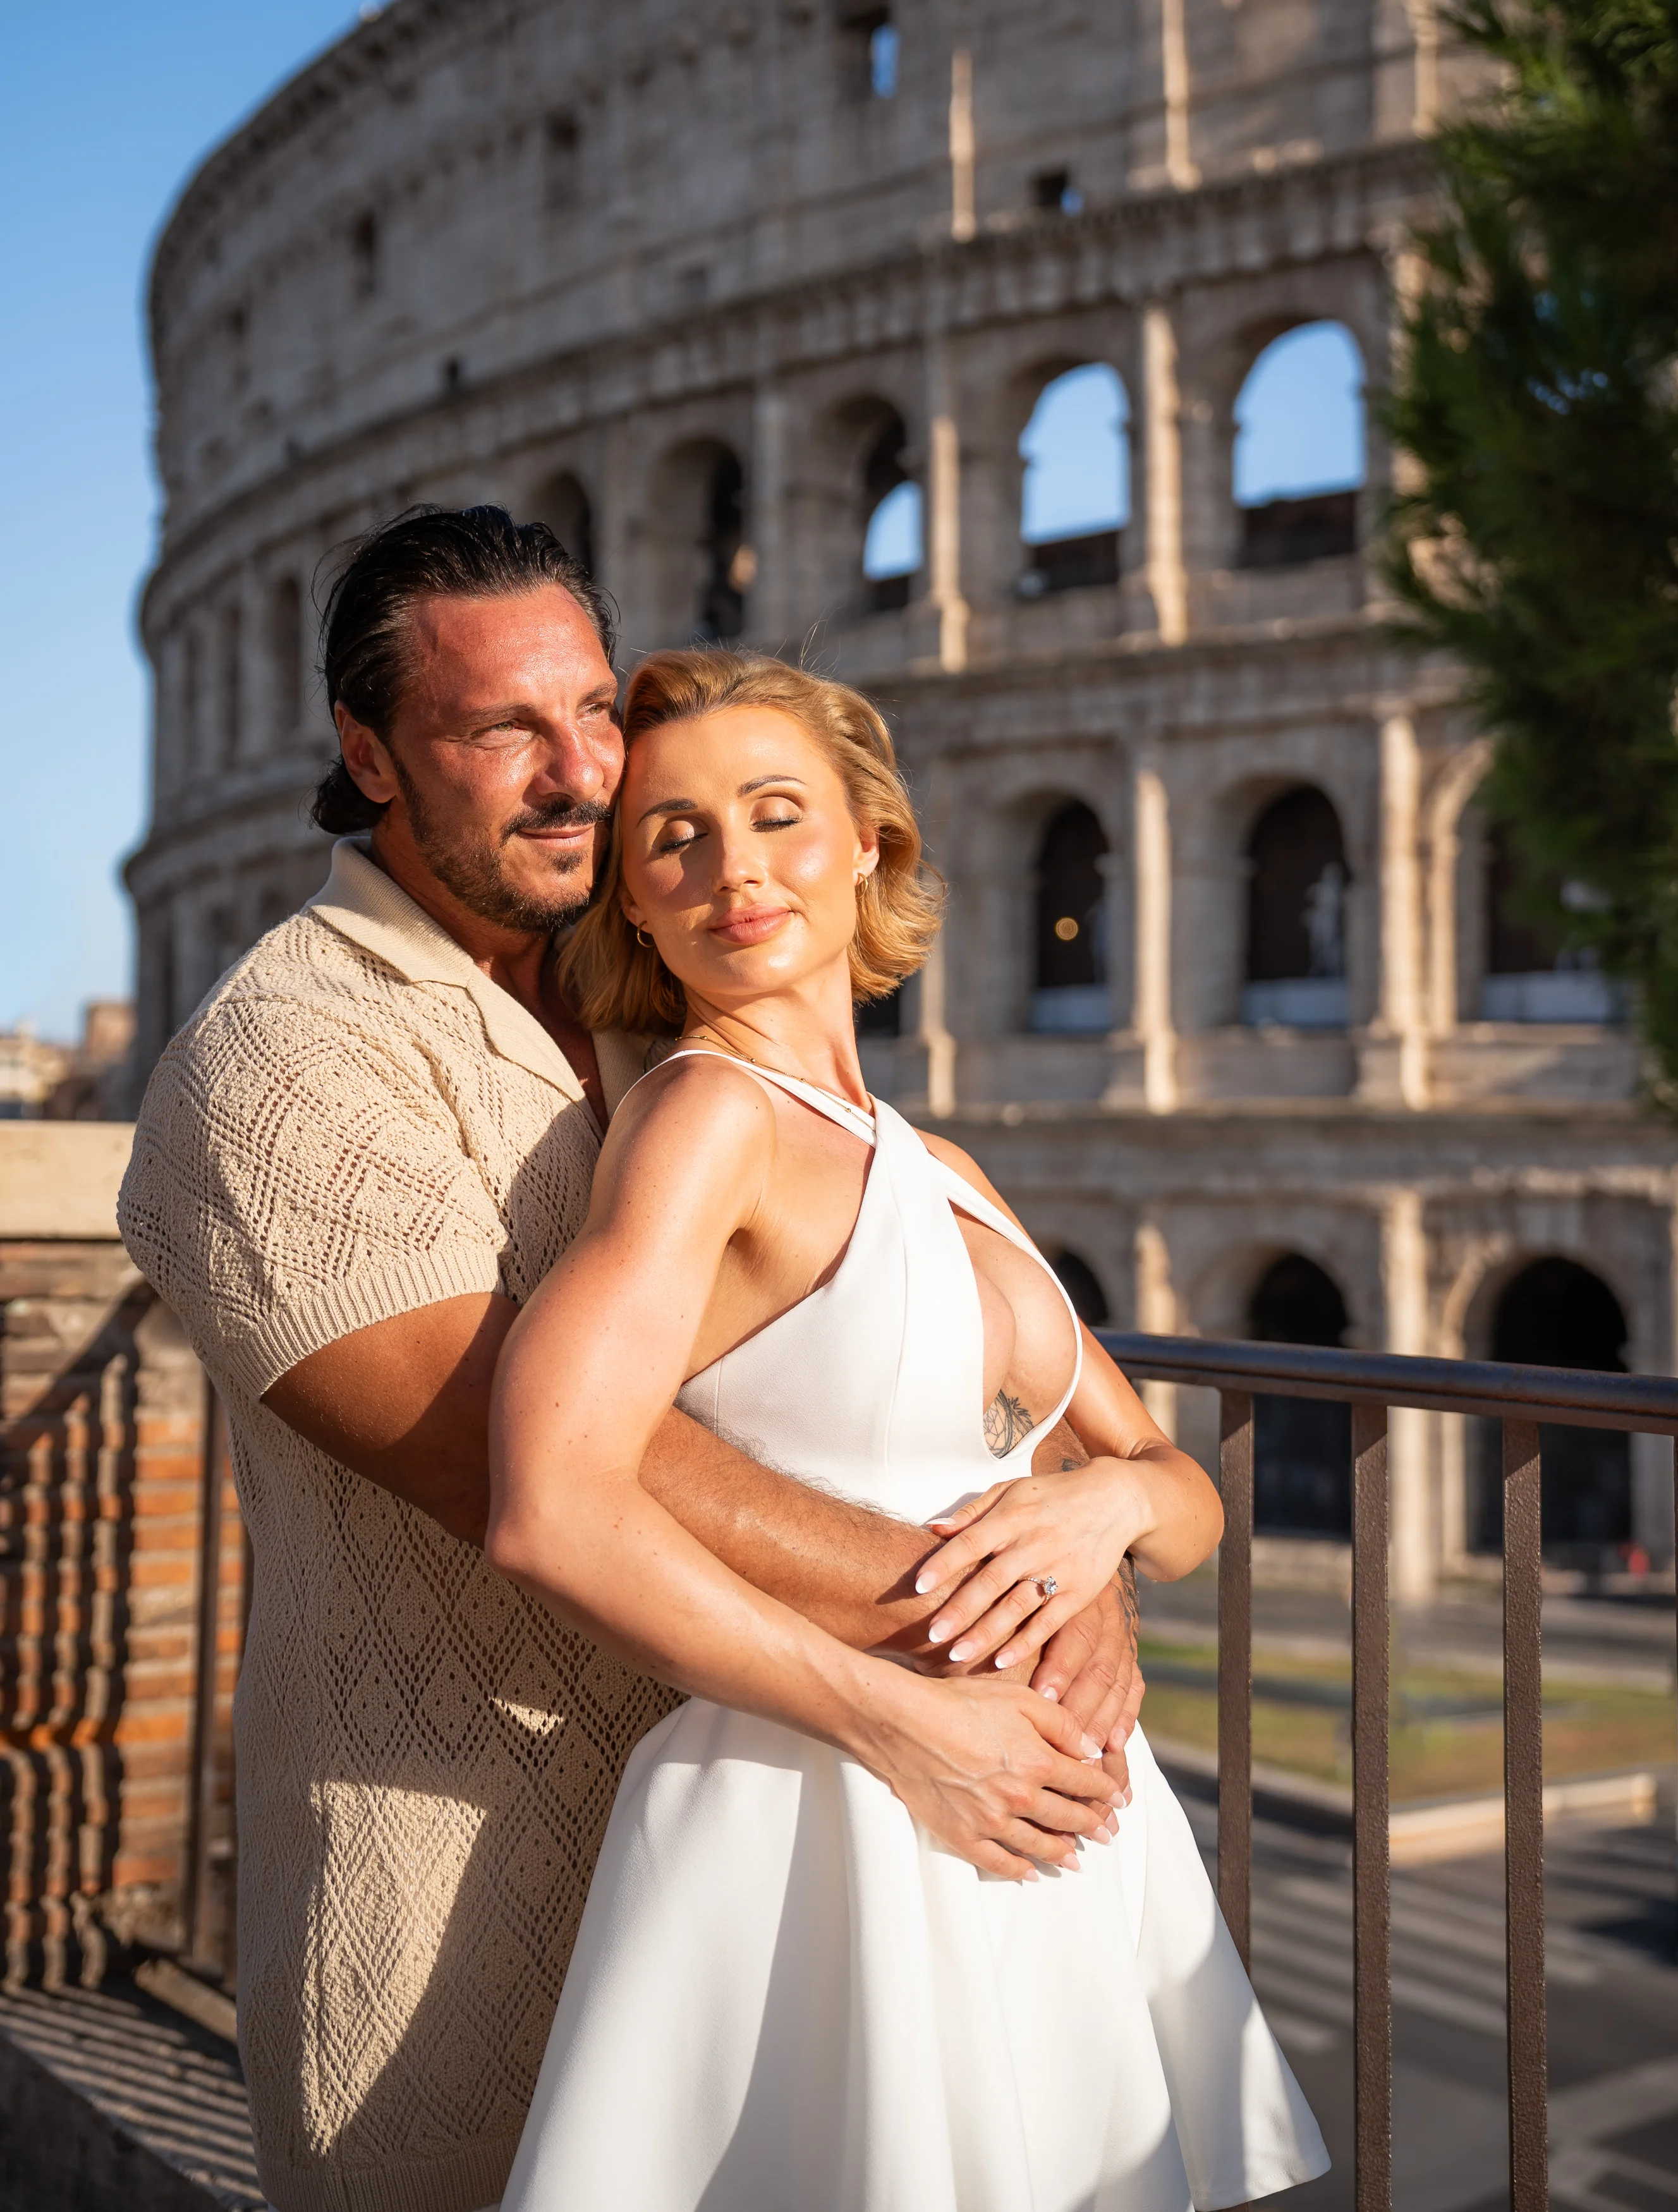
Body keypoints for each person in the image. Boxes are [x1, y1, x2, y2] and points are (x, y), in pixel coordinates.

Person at [117, 507, 1144, 2212]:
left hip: (808, 1883)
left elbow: (930, 1352)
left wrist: (1076, 1533)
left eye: (593, 710)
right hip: (466, 1915)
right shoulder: (276, 1065)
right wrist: (997, 1614)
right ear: (368, 752)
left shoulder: (659, 1015)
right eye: (499, 728)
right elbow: (547, 1467)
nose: (577, 770)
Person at [488, 650, 1330, 2211]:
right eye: (671, 836)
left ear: (869, 844)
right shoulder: (700, 1121)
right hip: (833, 1813)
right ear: (636, 903)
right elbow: (547, 1502)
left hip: (1050, 1807)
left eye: (774, 814)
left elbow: (1177, 1493)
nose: (730, 866)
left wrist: (1099, 1525)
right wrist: (899, 1726)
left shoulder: (937, 1162)